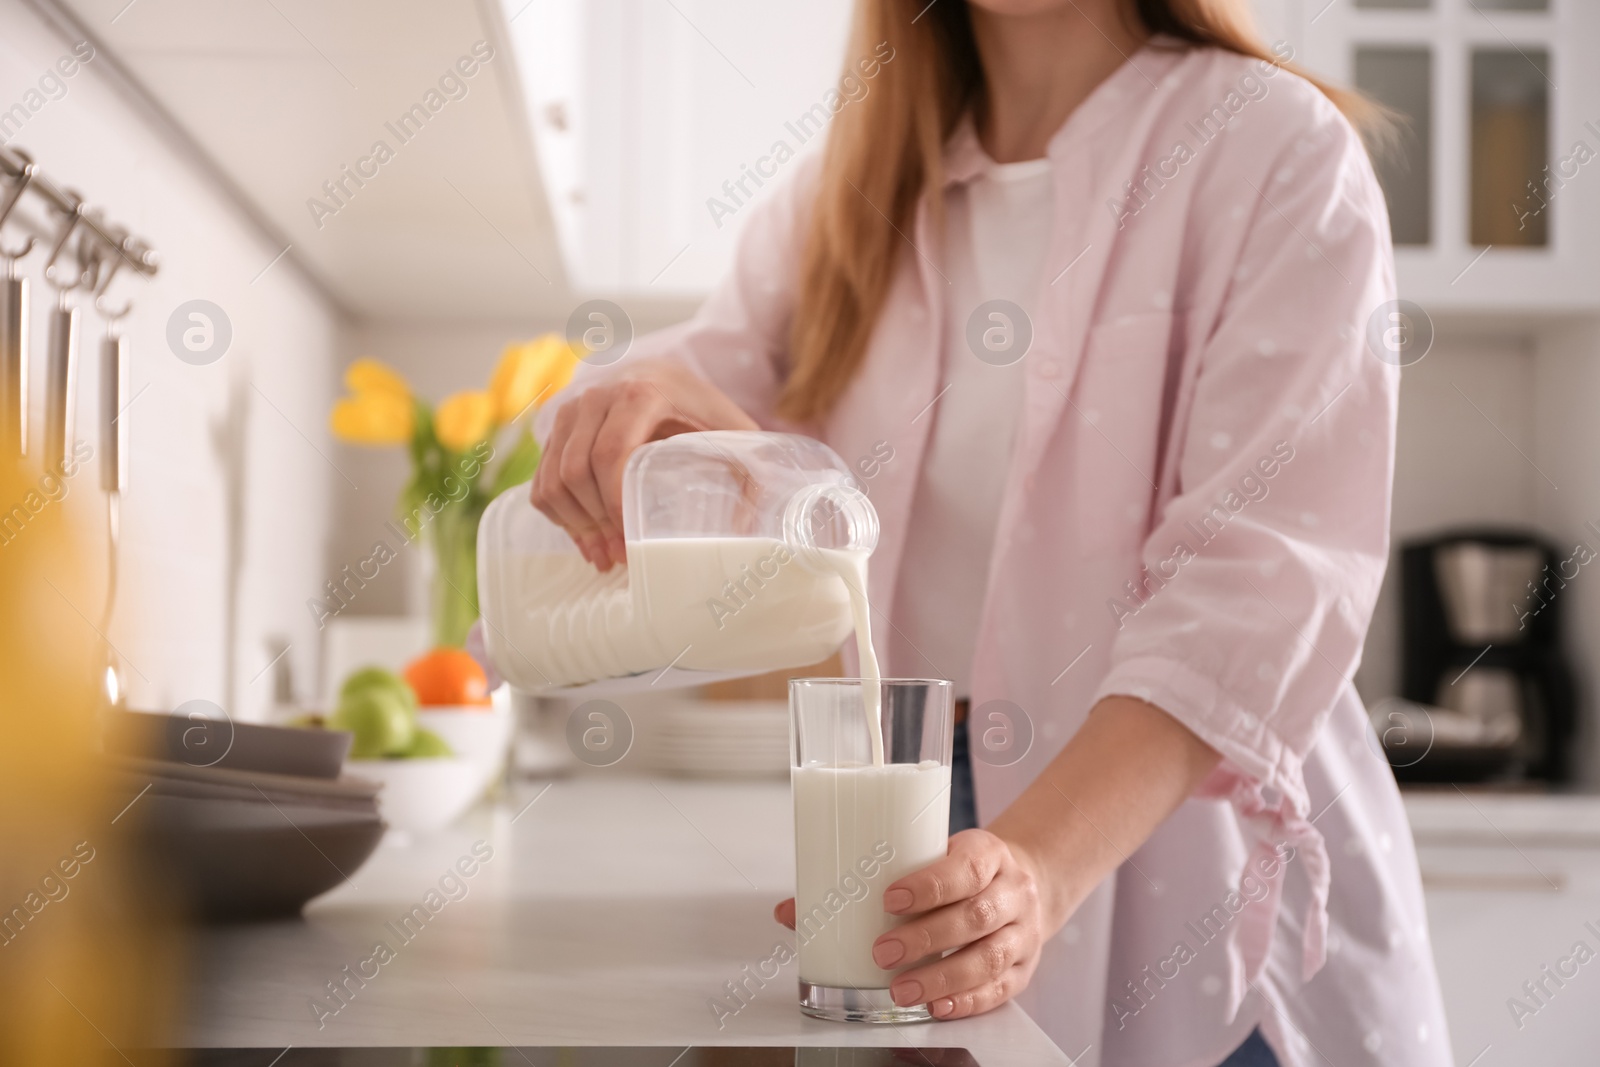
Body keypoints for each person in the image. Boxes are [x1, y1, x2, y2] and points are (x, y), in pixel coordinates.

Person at [530, 1, 1451, 1064]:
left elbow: (1261, 578)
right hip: (921, 823)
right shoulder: (848, 195)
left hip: (1183, 857)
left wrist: (1040, 864)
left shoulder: (1272, 147)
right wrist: (637, 408)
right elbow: (716, 418)